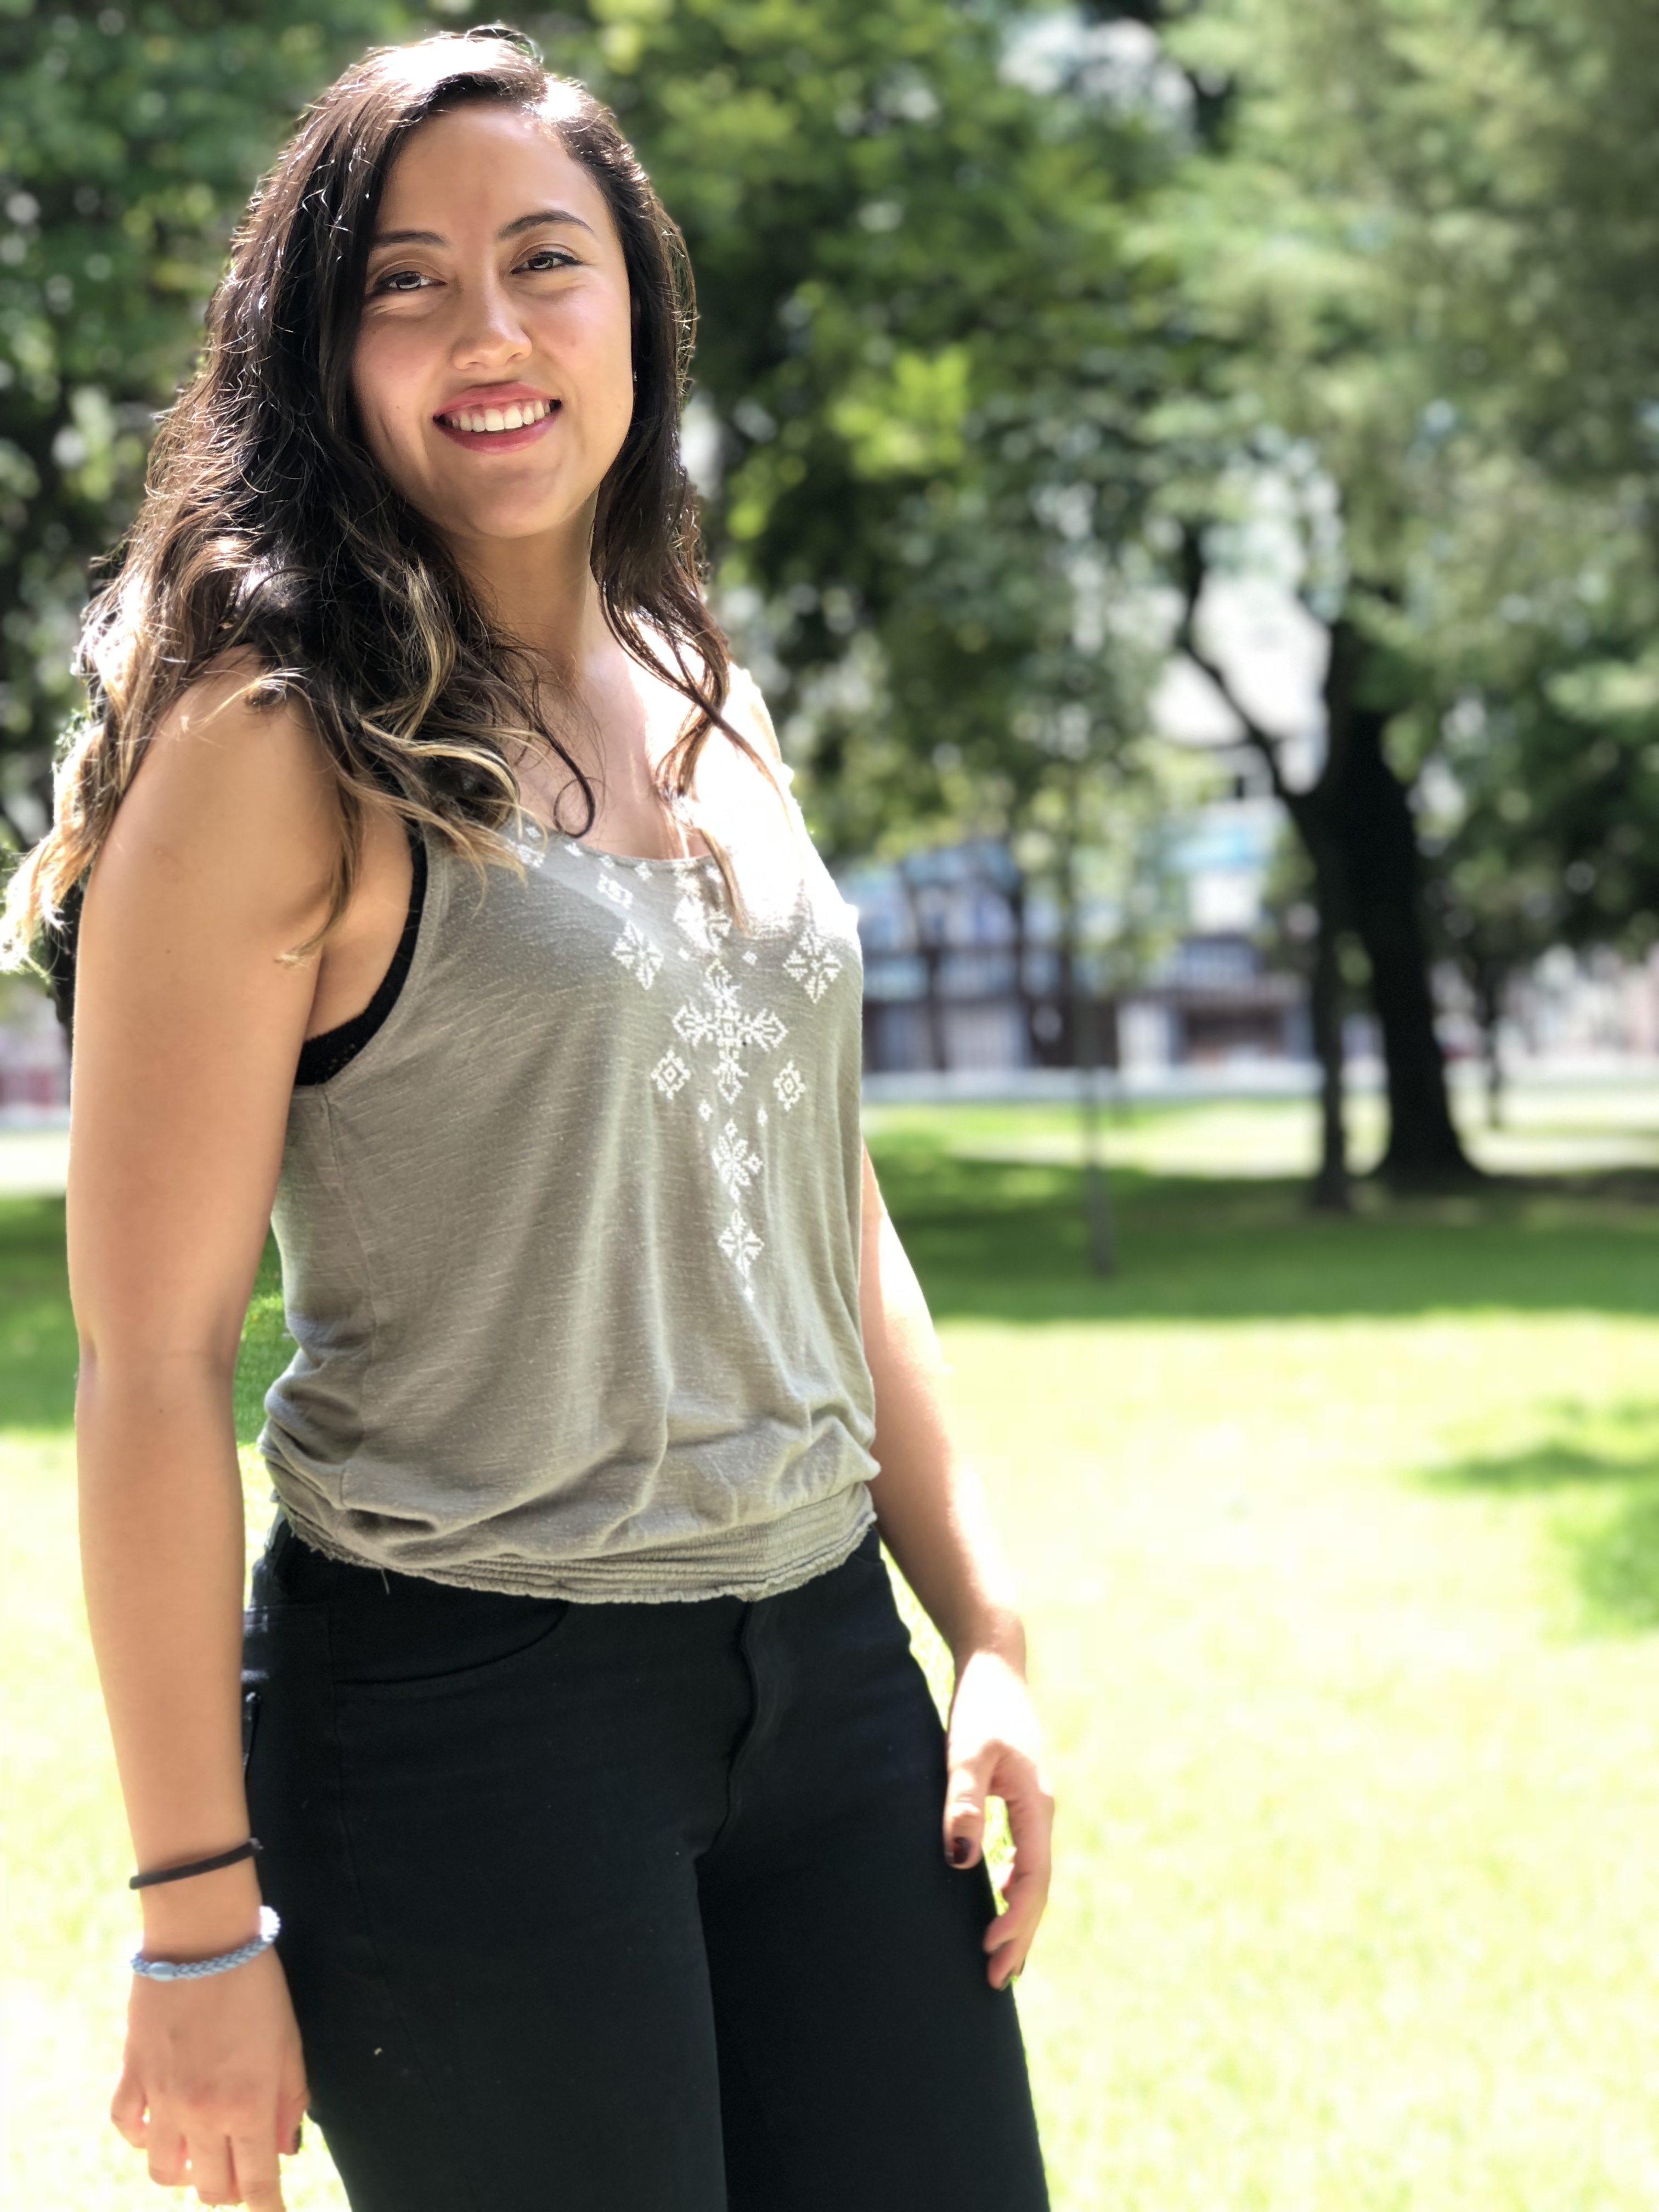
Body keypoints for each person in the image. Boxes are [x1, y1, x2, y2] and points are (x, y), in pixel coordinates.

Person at [4, 26, 1053, 2212]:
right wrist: (195, 1914)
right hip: (467, 1719)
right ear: (322, 353)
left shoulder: (700, 685)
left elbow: (825, 1190)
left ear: (637, 315)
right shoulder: (277, 742)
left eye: (544, 262)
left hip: (827, 1672)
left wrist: (989, 1631)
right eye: (406, 282)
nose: (486, 331)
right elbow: (150, 1358)